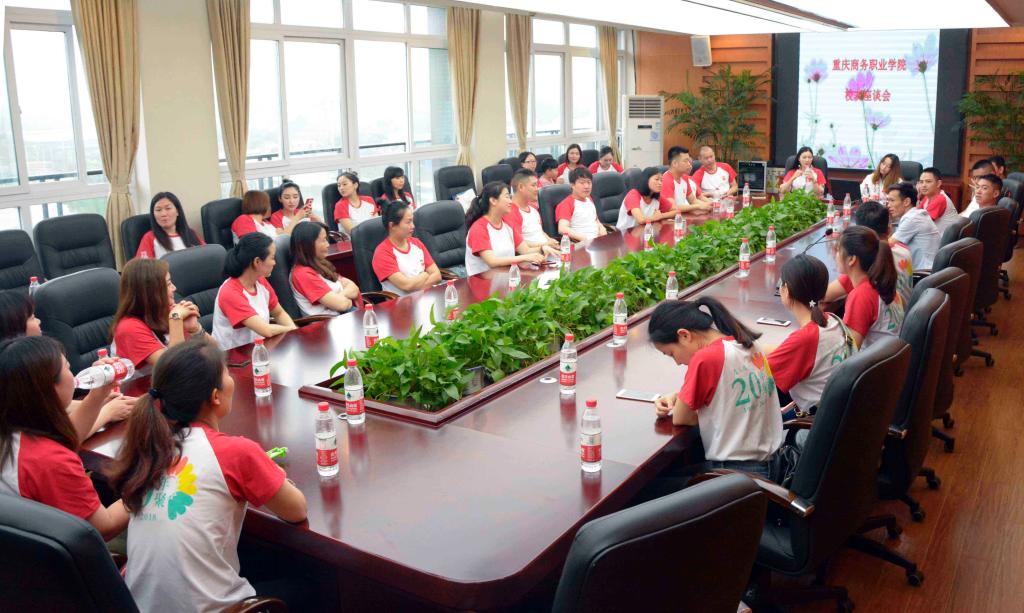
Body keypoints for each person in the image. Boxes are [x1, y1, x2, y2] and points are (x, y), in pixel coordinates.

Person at [108, 339, 308, 612]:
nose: (231, 378)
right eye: (227, 372)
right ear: (215, 396)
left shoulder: (152, 448)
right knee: (314, 587)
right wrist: (271, 476)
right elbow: (297, 509)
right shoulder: (236, 452)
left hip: (138, 605)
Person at [0, 335, 129, 540]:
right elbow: (104, 527)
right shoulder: (51, 461)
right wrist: (149, 484)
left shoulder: (14, 431)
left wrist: (98, 393)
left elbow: (65, 441)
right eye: (68, 368)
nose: (75, 375)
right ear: (50, 388)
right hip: (64, 551)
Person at [648, 297, 782, 479]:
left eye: (671, 354)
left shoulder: (706, 358)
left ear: (685, 335)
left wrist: (680, 400)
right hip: (770, 468)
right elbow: (725, 389)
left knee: (655, 489)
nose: (677, 362)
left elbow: (682, 418)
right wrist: (678, 395)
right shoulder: (747, 343)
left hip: (735, 474)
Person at [0, 291, 136, 438]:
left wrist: (98, 402)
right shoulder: (15, 379)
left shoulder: (22, 366)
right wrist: (107, 412)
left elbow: (53, 406)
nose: (39, 321)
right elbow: (63, 437)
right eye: (32, 317)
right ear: (14, 327)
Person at [769, 255, 857, 418]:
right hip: (844, 414)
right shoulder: (833, 320)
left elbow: (761, 376)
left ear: (787, 291)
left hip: (818, 421)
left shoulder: (806, 338)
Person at [111, 258, 205, 368]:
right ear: (151, 291)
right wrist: (176, 319)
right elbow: (175, 368)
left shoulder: (169, 311)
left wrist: (195, 329)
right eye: (168, 284)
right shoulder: (128, 328)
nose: (174, 288)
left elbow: (216, 353)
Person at [212, 233, 297, 350]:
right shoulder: (230, 292)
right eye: (272, 258)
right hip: (233, 355)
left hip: (259, 349)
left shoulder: (260, 281)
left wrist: (294, 331)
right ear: (257, 262)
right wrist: (291, 329)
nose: (275, 263)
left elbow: (279, 313)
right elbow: (266, 330)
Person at [825, 201, 913, 308]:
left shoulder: (865, 265)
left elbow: (825, 295)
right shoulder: (904, 250)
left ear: (859, 234)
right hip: (905, 312)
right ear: (889, 229)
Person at [833, 226, 904, 348]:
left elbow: (849, 350)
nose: (836, 255)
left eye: (838, 250)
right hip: (892, 356)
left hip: (877, 359)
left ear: (851, 259)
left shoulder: (861, 295)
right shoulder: (881, 280)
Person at [464, 181, 550, 277]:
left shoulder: (508, 223)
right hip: (482, 280)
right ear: (493, 201)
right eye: (507, 197)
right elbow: (492, 261)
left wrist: (543, 248)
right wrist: (525, 258)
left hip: (506, 277)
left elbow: (525, 250)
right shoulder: (479, 228)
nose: (510, 201)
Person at [372, 200, 442, 295]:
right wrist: (425, 275)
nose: (413, 226)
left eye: (412, 221)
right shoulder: (382, 253)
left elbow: (437, 275)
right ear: (392, 225)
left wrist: (416, 287)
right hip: (401, 302)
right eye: (408, 222)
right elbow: (406, 286)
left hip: (425, 297)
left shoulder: (416, 243)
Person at [289, 221, 359, 316]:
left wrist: (341, 297)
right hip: (329, 322)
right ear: (308, 244)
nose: (327, 244)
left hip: (344, 315)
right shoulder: (302, 274)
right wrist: (345, 300)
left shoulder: (320, 264)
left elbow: (354, 288)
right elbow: (342, 305)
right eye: (323, 240)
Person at [887, 181, 939, 271]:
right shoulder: (915, 215)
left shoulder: (912, 219)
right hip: (927, 269)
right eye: (888, 201)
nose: (888, 205)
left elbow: (887, 246)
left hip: (923, 273)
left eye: (892, 200)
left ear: (906, 202)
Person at [136, 192, 205, 259]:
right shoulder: (149, 238)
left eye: (168, 208)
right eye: (158, 210)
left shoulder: (191, 234)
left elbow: (206, 256)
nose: (163, 214)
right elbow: (143, 265)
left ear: (177, 211)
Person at [505, 169, 559, 249]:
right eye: (533, 185)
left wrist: (550, 240)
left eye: (537, 185)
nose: (537, 189)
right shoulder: (510, 212)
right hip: (533, 254)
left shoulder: (533, 210)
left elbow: (540, 232)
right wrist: (545, 244)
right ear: (521, 187)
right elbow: (517, 243)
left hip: (547, 250)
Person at [615, 167, 674, 232]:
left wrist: (661, 216)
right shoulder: (633, 194)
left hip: (645, 232)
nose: (660, 183)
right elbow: (640, 220)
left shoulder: (657, 196)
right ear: (646, 180)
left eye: (661, 180)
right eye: (657, 179)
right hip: (625, 233)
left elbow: (676, 211)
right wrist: (655, 218)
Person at [555, 167, 607, 241]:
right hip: (582, 243)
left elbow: (595, 219)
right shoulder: (566, 204)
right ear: (572, 185)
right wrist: (583, 238)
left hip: (598, 240)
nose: (586, 186)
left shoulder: (589, 199)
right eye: (582, 183)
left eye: (589, 182)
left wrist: (602, 228)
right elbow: (562, 228)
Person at [660, 146, 712, 213]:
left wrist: (710, 205)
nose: (689, 164)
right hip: (670, 218)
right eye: (685, 161)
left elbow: (693, 200)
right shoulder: (666, 180)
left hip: (681, 215)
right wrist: (698, 206)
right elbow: (672, 207)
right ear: (674, 163)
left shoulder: (684, 177)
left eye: (689, 161)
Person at [916, 167, 960, 236]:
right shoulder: (927, 197)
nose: (923, 185)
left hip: (942, 241)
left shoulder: (940, 199)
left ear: (938, 183)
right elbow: (916, 215)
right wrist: (918, 197)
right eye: (921, 182)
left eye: (928, 181)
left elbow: (921, 224)